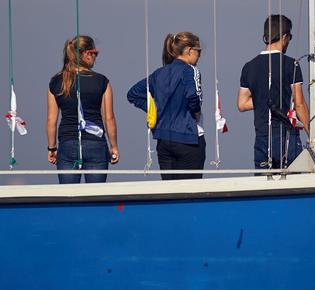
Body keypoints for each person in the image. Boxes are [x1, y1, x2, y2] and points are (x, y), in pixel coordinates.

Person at [127, 32, 205, 180]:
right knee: (190, 193)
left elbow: (133, 94)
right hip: (188, 139)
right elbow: (193, 96)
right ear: (189, 51)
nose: (199, 56)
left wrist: (154, 109)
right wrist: (195, 111)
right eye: (199, 51)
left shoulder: (159, 73)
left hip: (163, 141)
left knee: (171, 192)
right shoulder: (190, 70)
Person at [237, 14, 310, 169]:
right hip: (286, 136)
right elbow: (299, 103)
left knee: (264, 186)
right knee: (293, 186)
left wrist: (263, 97)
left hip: (262, 137)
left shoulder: (249, 67)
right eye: (289, 36)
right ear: (284, 37)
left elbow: (242, 104)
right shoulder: (292, 64)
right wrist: (311, 132)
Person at [46, 36, 120, 184]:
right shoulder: (102, 81)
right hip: (96, 144)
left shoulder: (56, 82)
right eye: (95, 53)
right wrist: (114, 147)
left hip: (67, 144)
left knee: (69, 198)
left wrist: (52, 148)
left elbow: (51, 120)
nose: (95, 58)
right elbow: (109, 118)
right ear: (86, 54)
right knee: (96, 198)